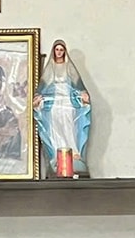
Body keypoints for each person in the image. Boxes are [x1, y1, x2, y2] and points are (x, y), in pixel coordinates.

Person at [33, 38, 92, 176]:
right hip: (54, 104)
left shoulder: (69, 68)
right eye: (57, 49)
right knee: (55, 128)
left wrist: (83, 95)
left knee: (70, 126)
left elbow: (78, 86)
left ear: (64, 51)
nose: (59, 52)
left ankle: (73, 152)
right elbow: (42, 88)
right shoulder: (50, 68)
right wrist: (37, 98)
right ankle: (57, 154)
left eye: (61, 50)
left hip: (68, 102)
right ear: (53, 51)